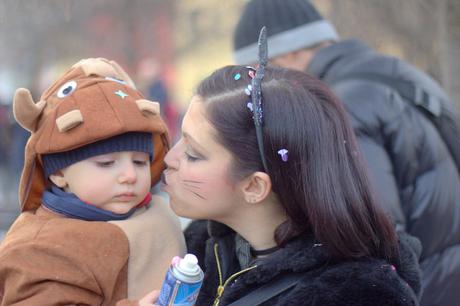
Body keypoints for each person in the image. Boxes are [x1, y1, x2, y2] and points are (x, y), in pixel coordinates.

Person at [233, 1, 460, 305]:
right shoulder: (395, 74)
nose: (259, 90)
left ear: (289, 53)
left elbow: (378, 239)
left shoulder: (342, 106)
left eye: (259, 71)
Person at [157, 56, 422, 305]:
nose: (170, 158)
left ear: (254, 186)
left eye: (193, 154)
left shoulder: (353, 295)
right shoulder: (202, 245)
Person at [0, 58, 186, 305]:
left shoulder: (153, 211)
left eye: (140, 162)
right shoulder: (42, 247)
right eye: (106, 164)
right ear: (58, 173)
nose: (129, 175)